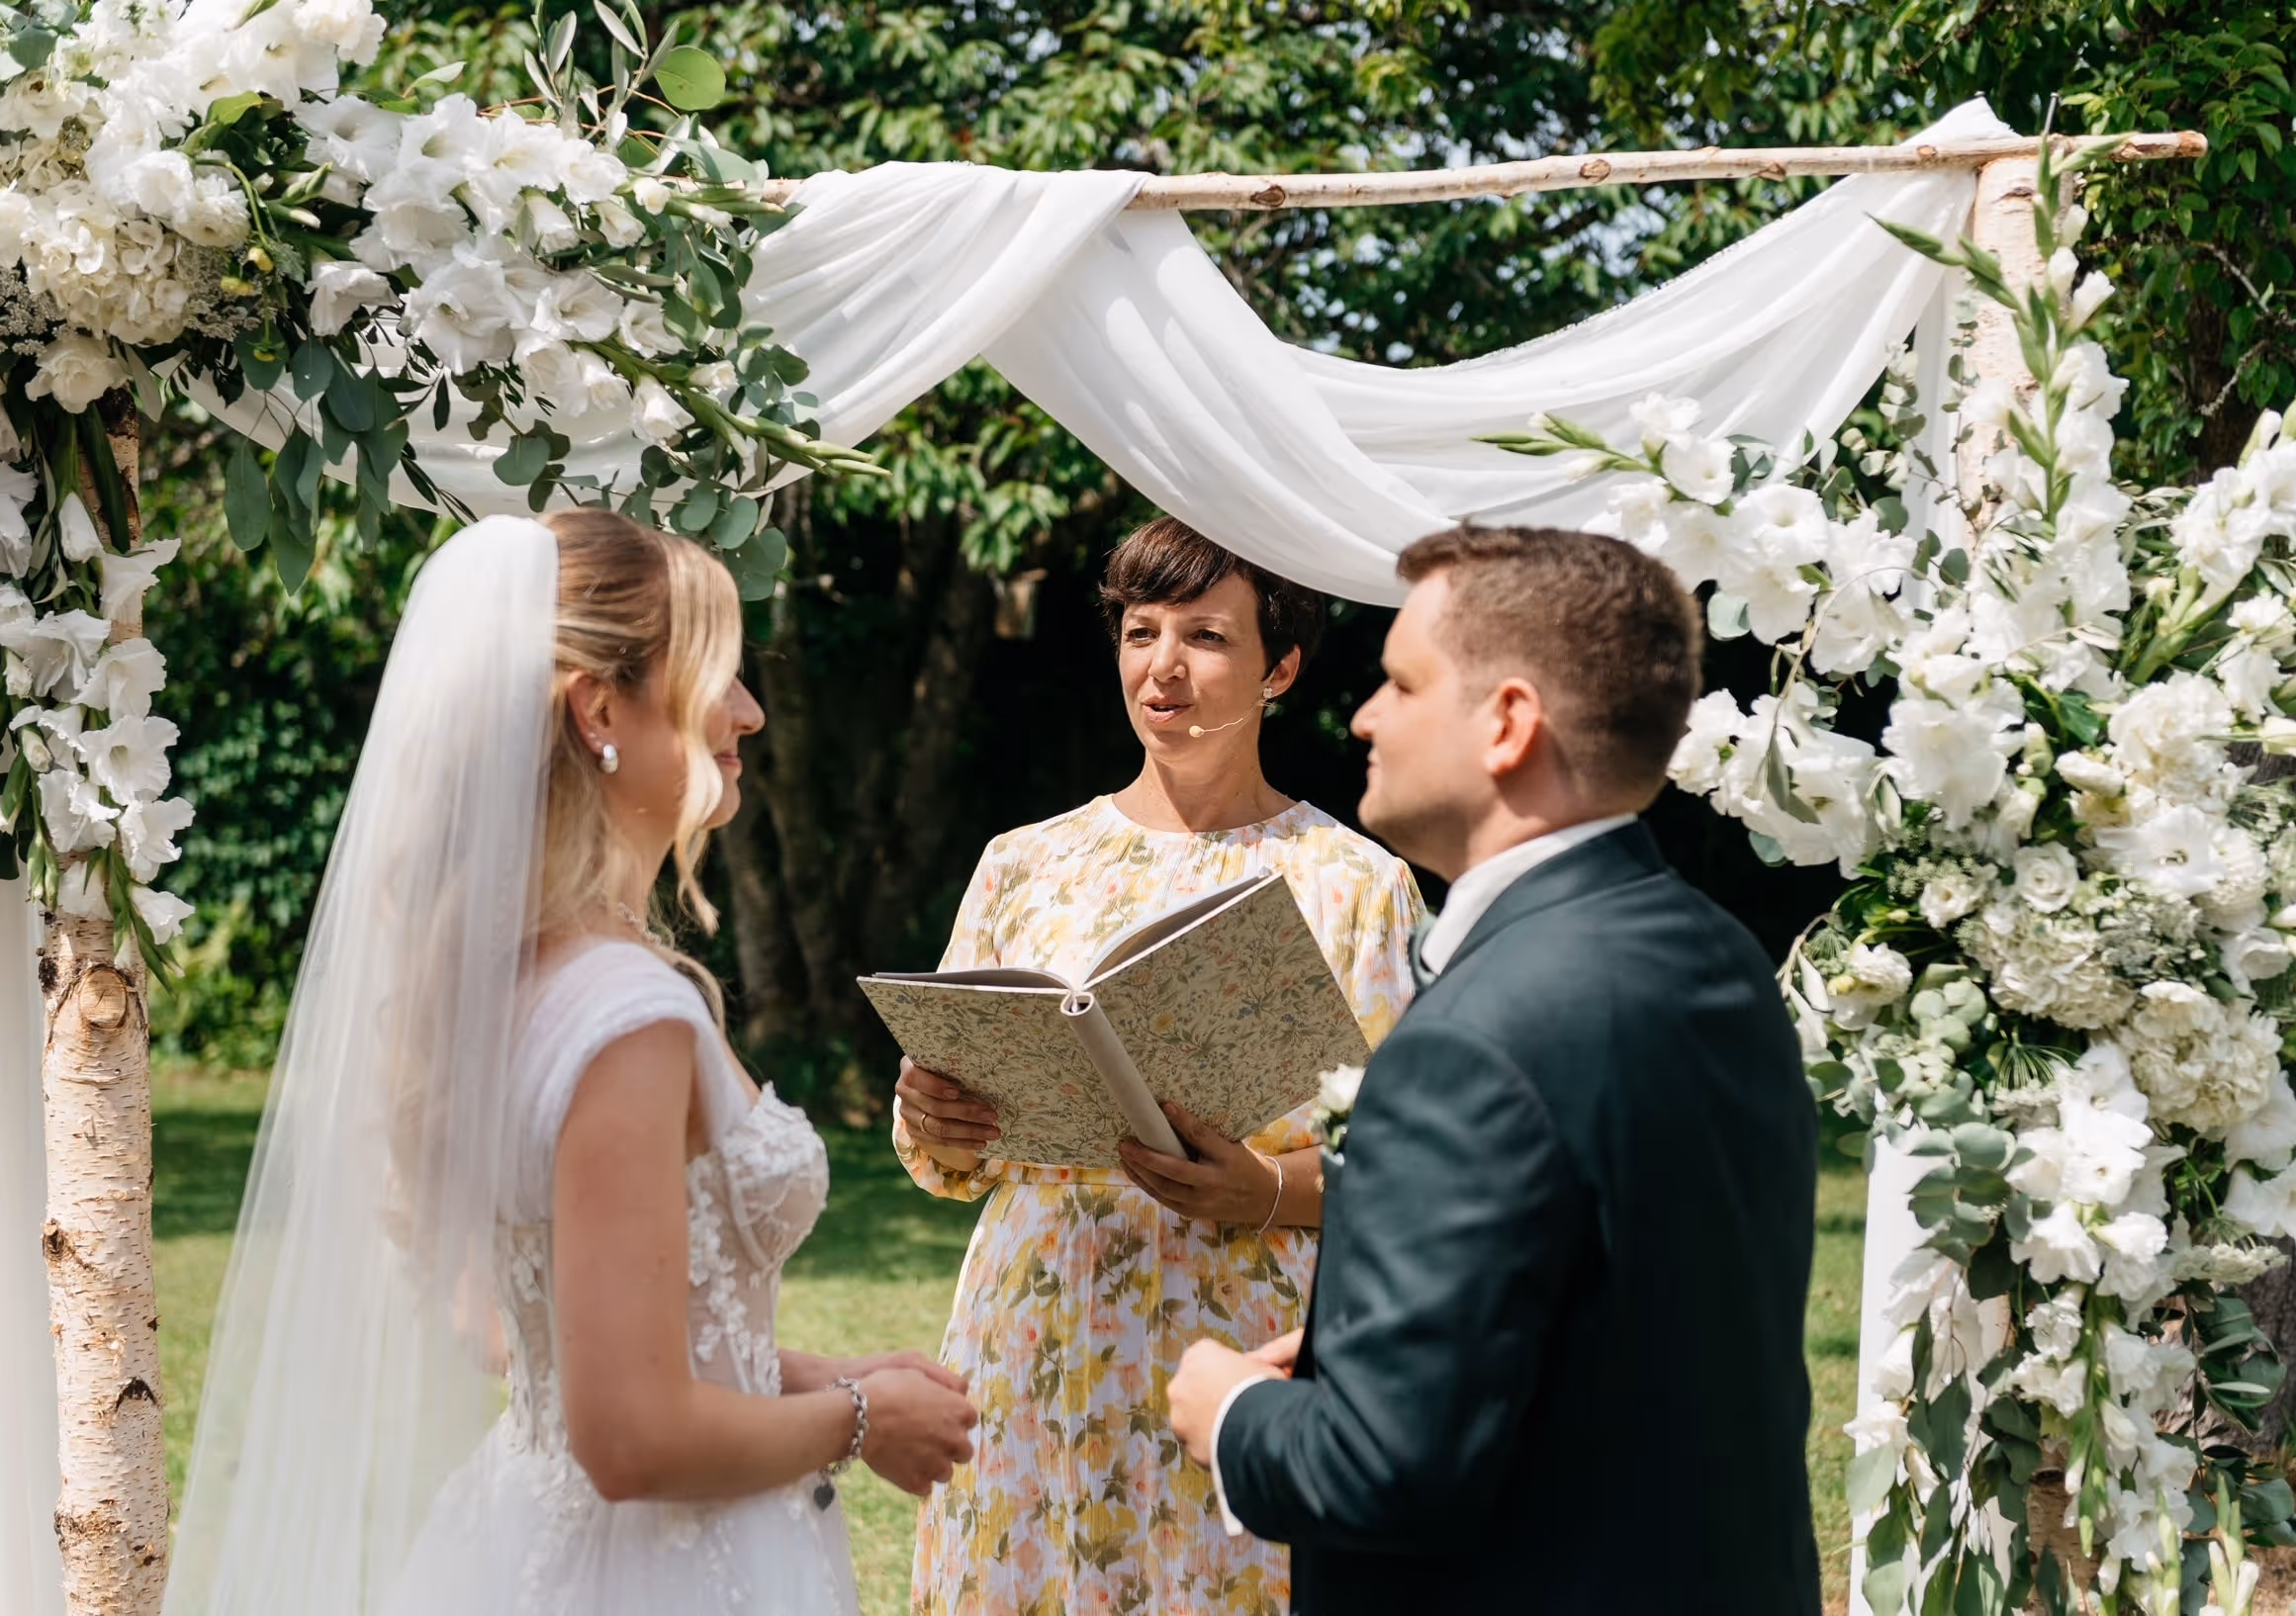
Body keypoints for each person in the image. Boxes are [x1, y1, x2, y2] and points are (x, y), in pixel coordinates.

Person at [165, 511, 975, 1616]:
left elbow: (526, 1330)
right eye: (721, 677)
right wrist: (867, 1420)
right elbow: (630, 1434)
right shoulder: (626, 1012)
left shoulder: (510, 978)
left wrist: (831, 1373)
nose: (751, 711)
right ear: (602, 707)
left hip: (527, 1536)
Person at [1167, 524, 1821, 1613]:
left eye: (1400, 683)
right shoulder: (1716, 954)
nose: (1363, 715)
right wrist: (1354, 1343)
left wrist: (1231, 1410)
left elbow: (1385, 1467)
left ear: (1507, 723)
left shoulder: (1468, 1041)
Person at [892, 517, 1424, 1616]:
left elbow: (1421, 1171)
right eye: (1140, 631)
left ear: (1279, 666)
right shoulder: (1021, 863)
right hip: (1033, 1340)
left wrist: (1266, 1189)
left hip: (1243, 1355)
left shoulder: (1356, 883)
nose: (1162, 665)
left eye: (1205, 636)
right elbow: (943, 1162)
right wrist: (932, 1114)